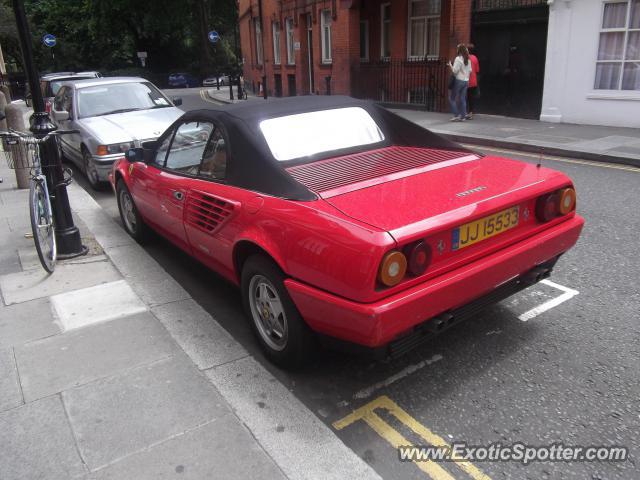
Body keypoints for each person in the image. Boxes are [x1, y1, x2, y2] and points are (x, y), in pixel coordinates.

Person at [447, 44, 472, 122]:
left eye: (457, 49)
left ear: (459, 50)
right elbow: (470, 70)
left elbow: (455, 71)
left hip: (459, 80)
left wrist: (450, 65)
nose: (456, 50)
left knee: (452, 98)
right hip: (466, 81)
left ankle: (456, 115)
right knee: (462, 99)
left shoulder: (458, 59)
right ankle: (463, 116)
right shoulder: (468, 59)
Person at [466, 44, 480, 120]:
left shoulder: (465, 58)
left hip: (466, 80)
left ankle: (463, 112)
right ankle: (471, 112)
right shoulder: (475, 58)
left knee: (464, 97)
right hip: (473, 80)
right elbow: (477, 70)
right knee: (471, 97)